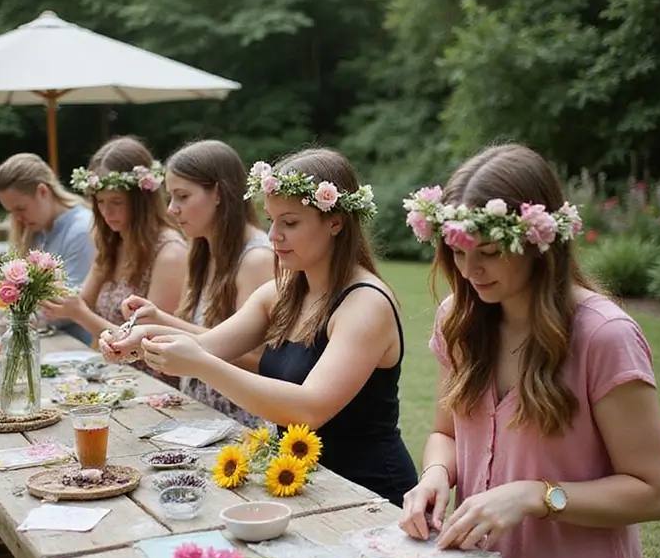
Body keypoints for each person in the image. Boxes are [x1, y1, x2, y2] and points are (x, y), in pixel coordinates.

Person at [399, 143, 660, 558]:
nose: (469, 271)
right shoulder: (458, 320)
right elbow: (445, 431)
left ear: (540, 242)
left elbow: (653, 492)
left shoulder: (604, 336)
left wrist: (534, 496)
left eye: (489, 253)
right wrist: (436, 474)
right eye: (457, 252)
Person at [105, 148, 418, 506]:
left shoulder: (366, 304)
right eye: (271, 220)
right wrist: (140, 337)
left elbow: (310, 409)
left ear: (336, 222)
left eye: (290, 222)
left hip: (370, 493)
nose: (273, 235)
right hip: (306, 486)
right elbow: (209, 345)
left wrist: (200, 365)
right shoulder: (283, 291)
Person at [115, 139, 275, 425]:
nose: (172, 209)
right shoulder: (200, 250)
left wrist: (160, 324)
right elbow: (197, 340)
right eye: (170, 198)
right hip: (196, 416)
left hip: (238, 425)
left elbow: (256, 359)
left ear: (218, 192)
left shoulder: (256, 259)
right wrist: (152, 323)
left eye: (182, 196)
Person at [40, 137, 187, 364]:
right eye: (100, 201)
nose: (107, 211)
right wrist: (43, 290)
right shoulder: (112, 243)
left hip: (155, 380)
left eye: (116, 201)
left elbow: (148, 345)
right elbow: (82, 301)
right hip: (111, 372)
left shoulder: (169, 252)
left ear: (141, 200)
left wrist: (80, 313)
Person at [0, 152, 94, 344]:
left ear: (43, 191)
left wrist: (14, 320)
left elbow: (68, 306)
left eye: (21, 208)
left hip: (77, 347)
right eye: (11, 212)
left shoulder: (82, 229)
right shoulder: (35, 231)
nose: (17, 219)